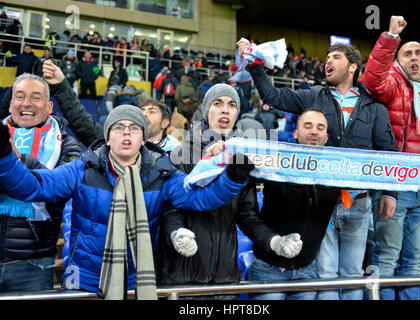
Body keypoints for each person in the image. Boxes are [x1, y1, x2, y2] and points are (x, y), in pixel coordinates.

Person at [0, 103, 253, 299]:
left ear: (143, 138)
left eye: (134, 128)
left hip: (137, 280)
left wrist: (233, 177)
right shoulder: (83, 168)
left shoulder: (161, 173)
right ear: (108, 137)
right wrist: (4, 156)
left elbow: (200, 199)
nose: (126, 133)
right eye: (118, 127)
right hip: (84, 279)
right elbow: (35, 186)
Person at [237, 39, 400, 300]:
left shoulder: (374, 106)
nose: (328, 62)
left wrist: (391, 194)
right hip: (320, 203)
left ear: (353, 67)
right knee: (323, 275)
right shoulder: (314, 95)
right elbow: (273, 96)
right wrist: (256, 66)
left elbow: (387, 152)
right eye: (326, 58)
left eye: (335, 57)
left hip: (357, 203)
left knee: (352, 274)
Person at [363, 16, 420, 300]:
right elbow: (372, 80)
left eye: (418, 54)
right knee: (387, 256)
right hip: (395, 184)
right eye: (407, 54)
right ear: (399, 62)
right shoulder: (393, 85)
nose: (413, 58)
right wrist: (390, 36)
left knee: (415, 258)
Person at [156, 84, 263, 300]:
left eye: (232, 105)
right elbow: (169, 209)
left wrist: (273, 240)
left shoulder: (242, 158)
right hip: (183, 275)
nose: (225, 110)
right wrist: (176, 234)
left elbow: (247, 215)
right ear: (206, 111)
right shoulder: (181, 154)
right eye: (218, 104)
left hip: (225, 279)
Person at [0, 73, 82, 293]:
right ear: (10, 105)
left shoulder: (67, 145)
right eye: (19, 97)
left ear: (49, 107)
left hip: (32, 263)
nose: (26, 103)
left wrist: (16, 159)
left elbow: (58, 191)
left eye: (36, 97)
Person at [247, 109, 340, 300]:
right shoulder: (275, 161)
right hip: (268, 269)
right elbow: (241, 163)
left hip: (307, 270)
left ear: (326, 136)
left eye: (320, 127)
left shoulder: (336, 171)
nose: (314, 131)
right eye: (308, 126)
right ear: (295, 133)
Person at [42, 60, 180, 155]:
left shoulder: (178, 153)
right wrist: (61, 86)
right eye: (142, 110)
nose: (144, 114)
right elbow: (81, 123)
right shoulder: (115, 138)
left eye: (152, 111)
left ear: (164, 123)